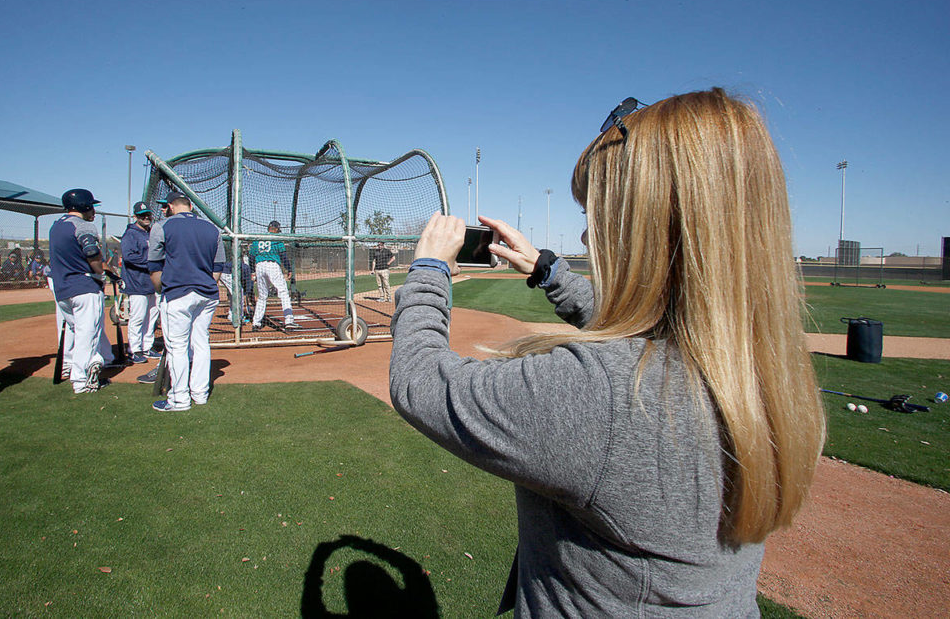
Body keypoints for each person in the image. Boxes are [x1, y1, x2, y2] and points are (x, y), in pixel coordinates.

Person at [389, 89, 826, 617]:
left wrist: (429, 269)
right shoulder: (755, 366)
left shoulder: (603, 392)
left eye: (597, 212)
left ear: (646, 226)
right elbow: (650, 328)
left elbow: (421, 381)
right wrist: (548, 271)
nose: (586, 230)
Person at [145, 191, 225, 411]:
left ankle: (179, 399)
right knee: (200, 342)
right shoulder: (212, 228)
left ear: (171, 206)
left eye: (165, 206)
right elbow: (218, 267)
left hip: (177, 293)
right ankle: (200, 394)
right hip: (207, 294)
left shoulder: (162, 226)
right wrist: (206, 284)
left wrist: (161, 290)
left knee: (177, 347)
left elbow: (154, 266)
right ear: (190, 206)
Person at [49, 188, 114, 394]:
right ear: (83, 206)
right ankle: (82, 381)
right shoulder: (83, 225)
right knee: (88, 334)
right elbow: (91, 252)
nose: (93, 210)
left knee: (79, 333)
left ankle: (82, 369)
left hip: (62, 289)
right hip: (84, 287)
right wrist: (101, 272)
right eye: (91, 206)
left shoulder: (56, 226)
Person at [120, 202, 161, 363]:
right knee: (138, 317)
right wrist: (152, 262)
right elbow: (129, 257)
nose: (146, 218)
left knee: (152, 317)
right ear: (135, 216)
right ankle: (134, 349)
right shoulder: (131, 234)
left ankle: (147, 346)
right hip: (137, 282)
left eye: (148, 215)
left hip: (152, 283)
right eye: (142, 215)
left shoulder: (151, 232)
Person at [249, 220, 299, 330]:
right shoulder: (277, 239)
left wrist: (253, 271)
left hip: (259, 266)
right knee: (283, 293)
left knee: (262, 296)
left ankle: (256, 323)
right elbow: (283, 256)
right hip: (272, 266)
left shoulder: (258, 238)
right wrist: (289, 269)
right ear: (276, 229)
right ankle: (289, 321)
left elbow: (251, 257)